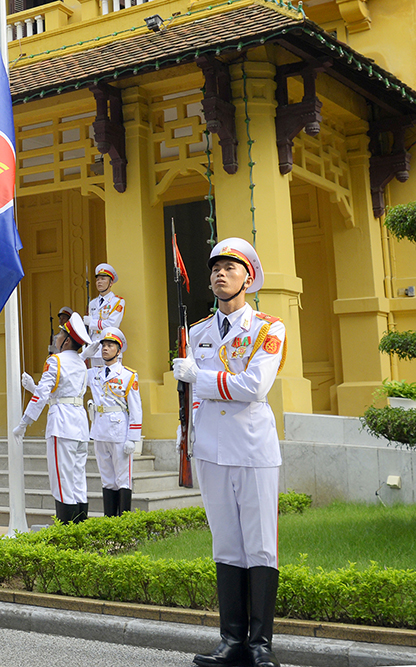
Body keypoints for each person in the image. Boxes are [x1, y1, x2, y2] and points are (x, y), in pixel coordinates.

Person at [172, 238, 287, 667]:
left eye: (231, 268)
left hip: (253, 446)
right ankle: (232, 640)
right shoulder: (198, 332)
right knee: (226, 545)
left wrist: (199, 378)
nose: (221, 274)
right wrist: (185, 433)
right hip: (210, 448)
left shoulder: (267, 328)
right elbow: (196, 398)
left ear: (248, 278)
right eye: (216, 267)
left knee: (260, 546)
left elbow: (254, 387)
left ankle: (261, 645)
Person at [17, 311, 92, 523]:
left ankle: (66, 534)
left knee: (62, 482)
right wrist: (33, 386)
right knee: (78, 481)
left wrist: (25, 422)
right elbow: (59, 393)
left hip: (62, 425)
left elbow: (44, 396)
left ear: (67, 340)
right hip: (79, 425)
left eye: (59, 335)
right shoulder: (80, 363)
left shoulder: (55, 361)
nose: (56, 338)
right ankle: (81, 530)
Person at [86, 327, 142, 517]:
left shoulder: (128, 375)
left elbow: (135, 408)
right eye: (103, 345)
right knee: (107, 479)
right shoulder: (94, 374)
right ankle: (110, 520)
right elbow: (74, 372)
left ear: (119, 351)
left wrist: (132, 439)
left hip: (119, 431)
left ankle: (123, 521)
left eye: (110, 346)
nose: (105, 349)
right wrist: (84, 355)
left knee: (123, 478)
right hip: (100, 430)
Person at [85, 264, 125, 366]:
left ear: (110, 282)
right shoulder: (92, 303)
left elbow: (112, 324)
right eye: (97, 279)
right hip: (94, 347)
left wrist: (91, 323)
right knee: (95, 379)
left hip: (110, 346)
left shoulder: (117, 302)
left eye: (103, 279)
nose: (99, 282)